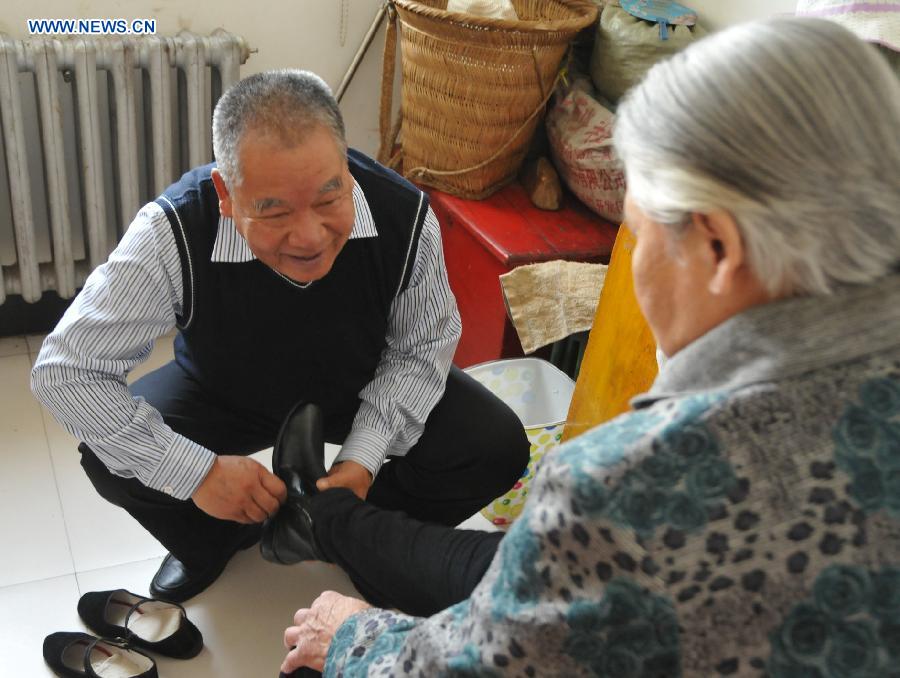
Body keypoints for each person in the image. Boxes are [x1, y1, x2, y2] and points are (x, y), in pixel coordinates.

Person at [276, 17, 900, 677]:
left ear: (717, 248)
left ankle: (326, 517)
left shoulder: (631, 485)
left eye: (640, 230)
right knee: (510, 563)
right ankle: (330, 516)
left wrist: (351, 637)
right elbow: (554, 587)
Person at [30, 70, 529, 603]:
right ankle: (216, 539)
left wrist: (362, 457)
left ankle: (353, 532)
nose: (310, 237)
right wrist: (197, 474)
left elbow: (422, 347)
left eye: (329, 197)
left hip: (358, 381)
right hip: (223, 389)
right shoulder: (173, 229)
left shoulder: (404, 214)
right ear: (226, 193)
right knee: (112, 455)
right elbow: (65, 371)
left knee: (494, 446)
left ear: (345, 166)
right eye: (274, 211)